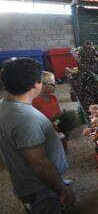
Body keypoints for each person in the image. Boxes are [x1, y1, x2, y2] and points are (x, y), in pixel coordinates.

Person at [0, 58, 75, 213]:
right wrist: (63, 191)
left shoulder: (4, 104)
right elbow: (39, 164)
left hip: (24, 181)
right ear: (36, 84)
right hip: (41, 189)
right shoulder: (26, 118)